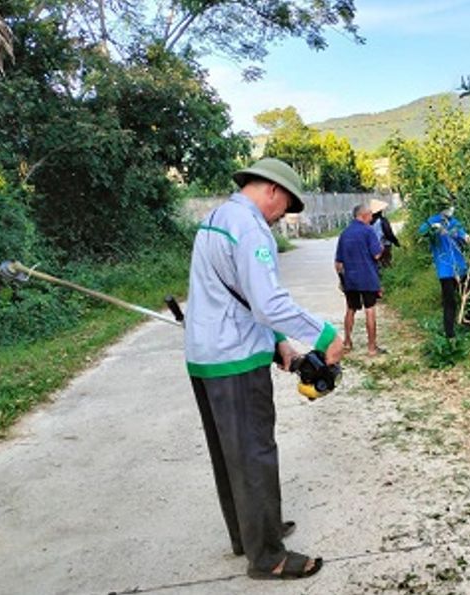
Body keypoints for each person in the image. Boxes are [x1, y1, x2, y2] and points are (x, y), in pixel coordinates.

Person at [184, 157, 343, 580]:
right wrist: (326, 335)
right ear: (272, 190)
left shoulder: (217, 217)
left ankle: (251, 532)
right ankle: (268, 555)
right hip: (234, 360)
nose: (281, 217)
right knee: (254, 454)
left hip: (207, 356)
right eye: (286, 206)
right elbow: (269, 303)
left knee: (230, 454)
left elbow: (239, 297)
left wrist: (280, 346)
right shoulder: (251, 226)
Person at [418, 204, 470, 338]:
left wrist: (467, 238)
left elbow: (463, 235)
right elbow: (421, 231)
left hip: (461, 267)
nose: (451, 210)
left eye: (452, 207)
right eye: (448, 207)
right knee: (449, 302)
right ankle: (449, 334)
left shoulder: (454, 222)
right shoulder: (433, 220)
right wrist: (433, 227)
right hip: (445, 270)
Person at [335, 203, 384, 355]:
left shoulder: (345, 233)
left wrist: (342, 280)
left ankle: (347, 342)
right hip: (368, 277)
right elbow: (376, 254)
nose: (371, 217)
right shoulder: (368, 231)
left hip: (350, 279)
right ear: (363, 215)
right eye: (370, 214)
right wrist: (381, 248)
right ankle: (371, 347)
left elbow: (338, 263)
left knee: (350, 309)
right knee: (370, 311)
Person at [369, 199, 400, 269]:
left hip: (373, 247)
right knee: (386, 264)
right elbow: (388, 234)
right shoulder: (382, 221)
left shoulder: (368, 222)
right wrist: (396, 242)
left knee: (376, 265)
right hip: (384, 245)